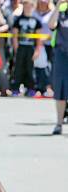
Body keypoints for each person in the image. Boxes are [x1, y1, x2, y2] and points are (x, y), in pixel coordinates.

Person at [11, 0, 43, 96]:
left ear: (33, 6)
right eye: (25, 5)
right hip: (21, 47)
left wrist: (37, 50)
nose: (28, 7)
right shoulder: (18, 19)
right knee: (18, 68)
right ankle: (16, 88)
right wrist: (16, 47)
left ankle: (31, 88)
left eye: (30, 6)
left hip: (31, 48)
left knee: (30, 68)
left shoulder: (36, 20)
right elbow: (15, 35)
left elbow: (39, 37)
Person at [49, 0, 67, 135]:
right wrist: (58, 6)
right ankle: (59, 124)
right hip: (62, 53)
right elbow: (51, 25)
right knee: (60, 88)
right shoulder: (61, 10)